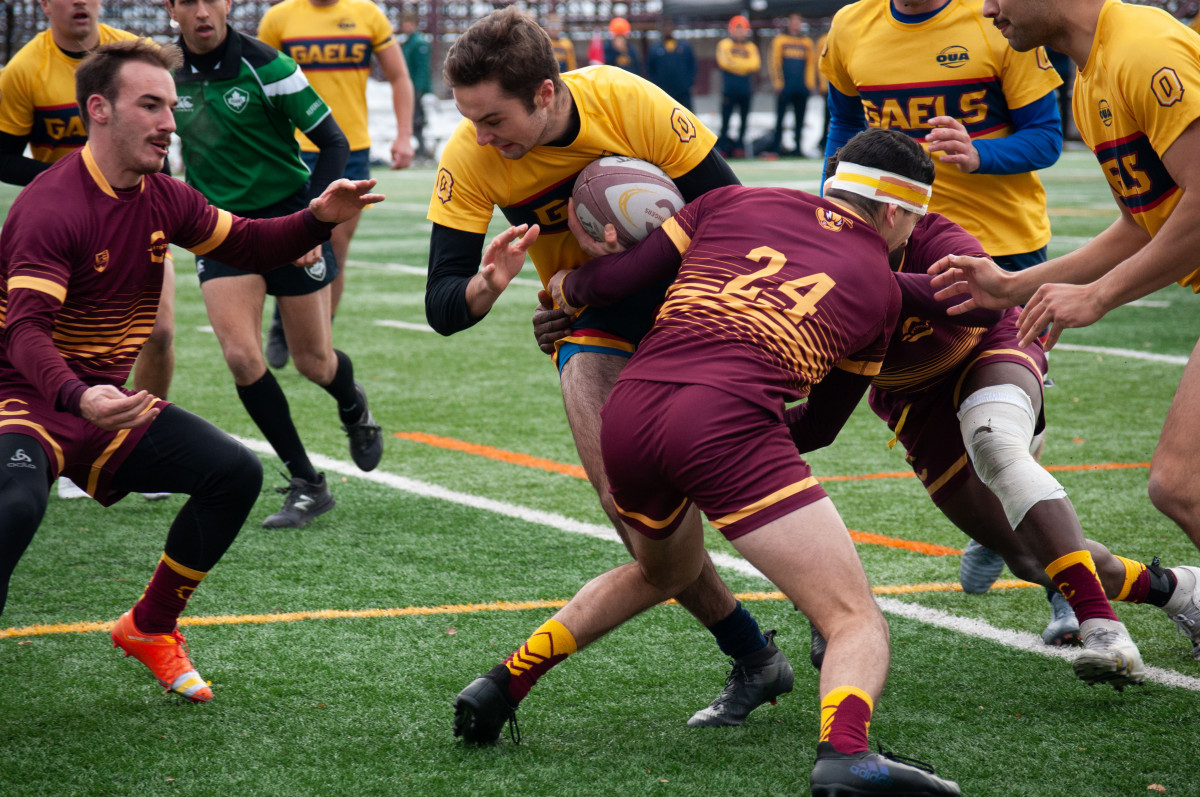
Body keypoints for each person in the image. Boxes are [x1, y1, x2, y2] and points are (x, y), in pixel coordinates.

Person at [454, 128, 961, 796]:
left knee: (663, 569)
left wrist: (566, 290)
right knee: (852, 616)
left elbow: (615, 278)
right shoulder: (886, 288)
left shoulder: (727, 203)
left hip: (631, 411)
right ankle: (846, 754)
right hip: (723, 419)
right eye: (913, 222)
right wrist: (741, 437)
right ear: (895, 212)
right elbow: (825, 424)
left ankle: (499, 684)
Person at [425, 7, 794, 729]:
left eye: (492, 117)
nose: (480, 135)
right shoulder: (470, 158)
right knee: (636, 516)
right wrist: (487, 287)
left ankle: (815, 607)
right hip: (588, 324)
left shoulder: (627, 101)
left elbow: (733, 209)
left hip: (694, 306)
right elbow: (442, 303)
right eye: (469, 118)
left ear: (543, 93)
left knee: (745, 478)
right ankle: (754, 653)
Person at [0, 38, 382, 701]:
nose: (170, 122)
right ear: (99, 110)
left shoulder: (164, 196)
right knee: (17, 503)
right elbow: (23, 331)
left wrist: (317, 217)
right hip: (24, 397)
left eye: (171, 107)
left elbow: (250, 241)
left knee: (233, 474)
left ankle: (151, 627)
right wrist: (76, 393)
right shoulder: (50, 205)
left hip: (100, 402)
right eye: (150, 105)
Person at [797, 153, 1199, 666]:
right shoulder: (806, 254)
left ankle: (1103, 628)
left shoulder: (936, 237)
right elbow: (818, 419)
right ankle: (1177, 590)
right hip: (910, 399)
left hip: (985, 350)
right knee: (1032, 557)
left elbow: (988, 304)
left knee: (995, 442)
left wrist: (865, 282)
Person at [927, 0, 1200, 662]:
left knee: (1181, 482)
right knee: (1179, 483)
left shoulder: (1143, 48)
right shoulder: (1088, 77)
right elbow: (1144, 221)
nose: (987, 8)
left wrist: (1100, 296)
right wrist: (1010, 285)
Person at [820, 0, 1065, 596]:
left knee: (1008, 428)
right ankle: (1003, 527)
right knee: (919, 397)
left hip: (1000, 250)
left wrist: (982, 154)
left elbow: (1047, 138)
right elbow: (845, 131)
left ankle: (1051, 578)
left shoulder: (1001, 18)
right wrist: (828, 211)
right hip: (891, 244)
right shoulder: (852, 25)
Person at [166, 0, 383, 529]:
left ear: (229, 4)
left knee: (315, 362)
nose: (201, 10)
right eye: (187, 0)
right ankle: (307, 481)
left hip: (289, 224)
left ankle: (353, 405)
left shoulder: (268, 66)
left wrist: (314, 222)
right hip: (220, 230)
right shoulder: (164, 72)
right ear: (171, 8)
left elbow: (333, 141)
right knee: (242, 357)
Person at [0, 0, 175, 501]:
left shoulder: (131, 54)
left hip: (136, 221)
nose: (81, 2)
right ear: (44, 5)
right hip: (64, 232)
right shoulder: (23, 71)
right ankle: (62, 439)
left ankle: (133, 439)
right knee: (45, 333)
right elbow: (3, 156)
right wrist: (70, 183)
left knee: (159, 331)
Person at [257, 0, 415, 366]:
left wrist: (404, 134)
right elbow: (259, 84)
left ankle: (320, 336)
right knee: (290, 241)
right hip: (293, 147)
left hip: (349, 146)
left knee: (333, 246)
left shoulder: (367, 15)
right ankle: (283, 323)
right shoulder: (279, 18)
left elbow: (399, 76)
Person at [769, 13, 816, 156]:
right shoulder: (780, 40)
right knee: (780, 118)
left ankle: (798, 148)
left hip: (801, 86)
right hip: (785, 86)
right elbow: (774, 62)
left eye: (799, 21)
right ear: (788, 23)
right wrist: (778, 82)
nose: (796, 24)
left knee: (800, 118)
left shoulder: (806, 42)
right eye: (794, 21)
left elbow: (811, 64)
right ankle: (776, 147)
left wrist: (809, 83)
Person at [715, 15, 761, 155]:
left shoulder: (751, 47)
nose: (740, 32)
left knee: (744, 119)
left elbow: (755, 64)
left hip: (745, 90)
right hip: (729, 89)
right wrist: (743, 66)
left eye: (743, 29)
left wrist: (736, 65)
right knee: (725, 120)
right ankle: (722, 147)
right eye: (738, 28)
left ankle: (740, 148)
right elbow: (724, 62)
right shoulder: (724, 44)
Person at [400, 8, 433, 162]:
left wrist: (419, 88)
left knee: (417, 119)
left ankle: (422, 151)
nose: (406, 27)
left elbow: (422, 68)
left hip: (415, 88)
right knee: (413, 119)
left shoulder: (418, 43)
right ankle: (421, 150)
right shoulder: (408, 42)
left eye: (408, 23)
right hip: (409, 88)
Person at [646, 18, 696, 110]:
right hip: (663, 92)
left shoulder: (684, 46)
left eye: (669, 26)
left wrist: (688, 83)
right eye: (665, 26)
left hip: (682, 91)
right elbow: (650, 69)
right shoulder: (655, 48)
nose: (667, 29)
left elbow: (692, 65)